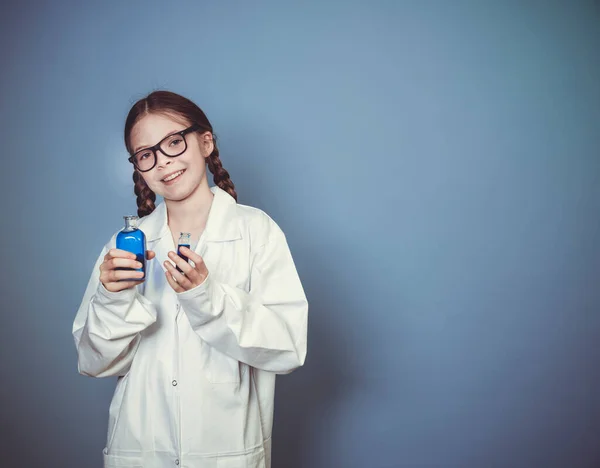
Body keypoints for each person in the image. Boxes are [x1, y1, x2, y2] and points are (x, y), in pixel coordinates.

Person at [72, 90, 308, 468]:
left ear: (205, 141)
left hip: (227, 451)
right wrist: (112, 299)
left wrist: (206, 296)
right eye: (147, 154)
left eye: (173, 142)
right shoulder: (125, 248)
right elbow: (93, 362)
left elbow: (288, 347)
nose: (163, 163)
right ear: (138, 167)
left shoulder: (256, 231)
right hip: (141, 449)